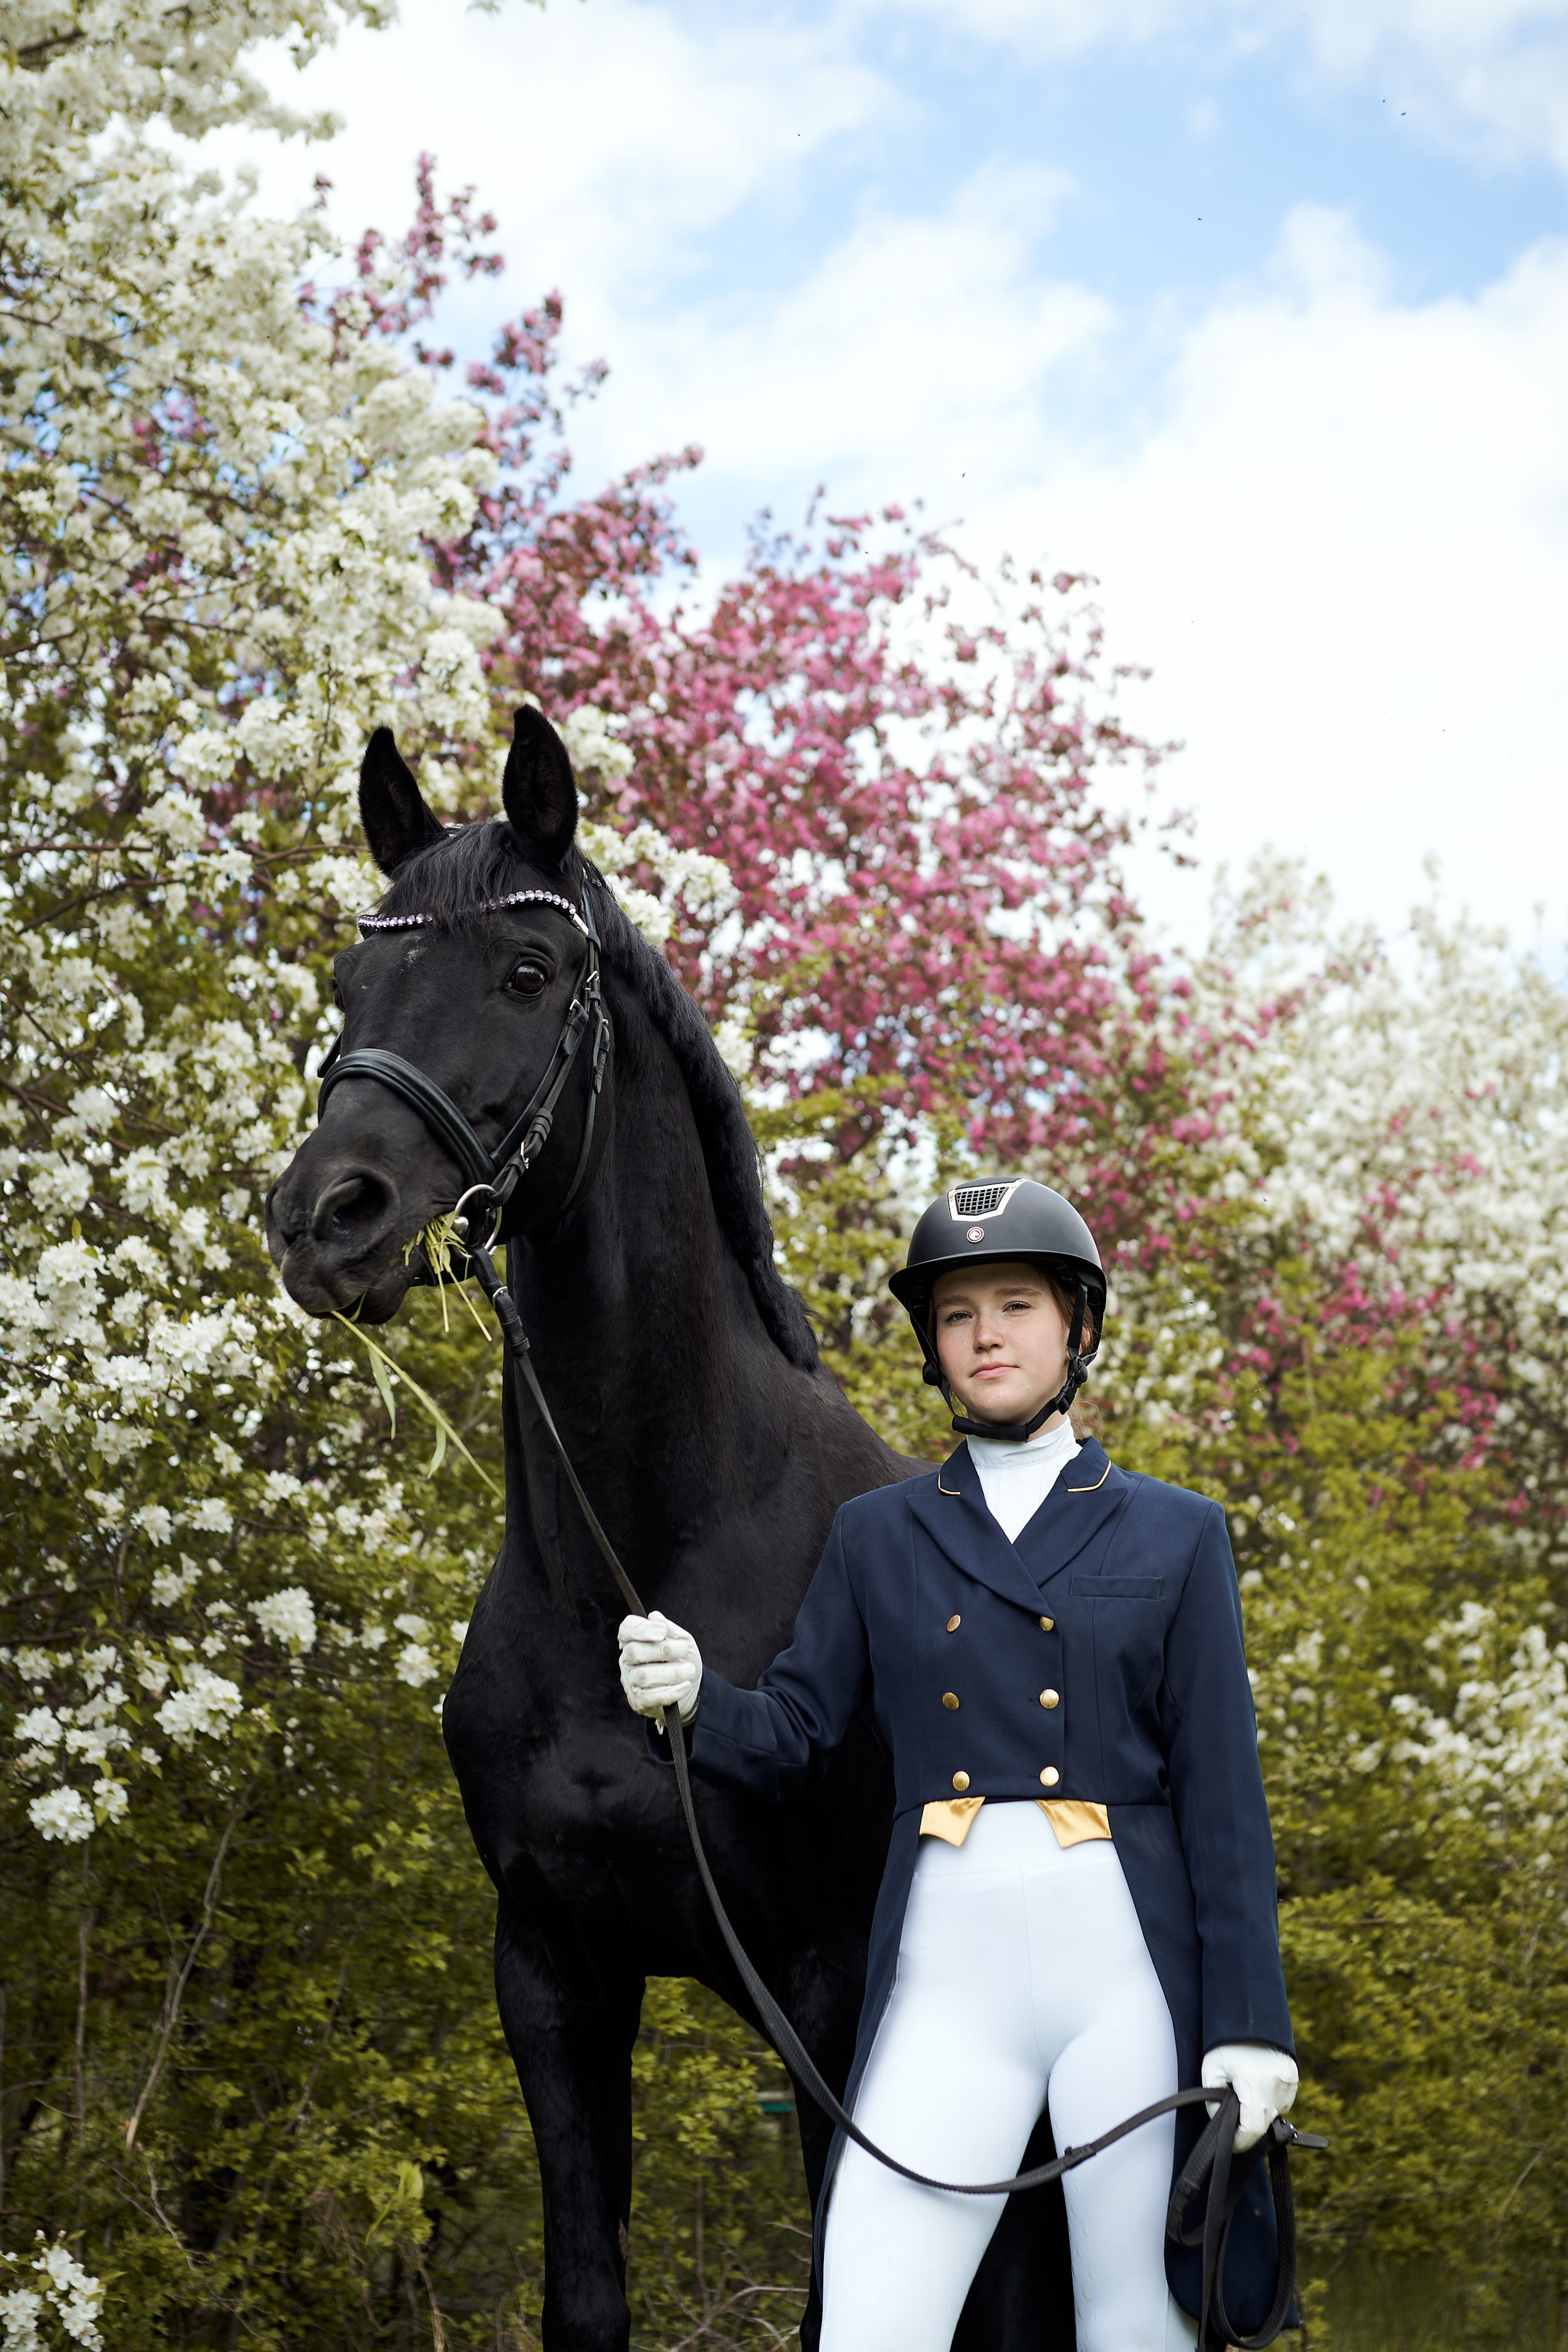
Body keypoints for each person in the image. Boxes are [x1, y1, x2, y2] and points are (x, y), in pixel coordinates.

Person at [617, 1178, 1297, 2352]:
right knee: (869, 2320)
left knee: (1140, 2326)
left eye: (1017, 1304)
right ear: (932, 1347)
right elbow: (795, 1734)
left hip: (1125, 1981)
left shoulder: (1176, 1531)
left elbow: (1225, 1803)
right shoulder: (877, 1532)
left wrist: (1253, 2025)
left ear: (1078, 1326)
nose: (987, 1334)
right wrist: (695, 1700)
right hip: (949, 1975)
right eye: (957, 1314)